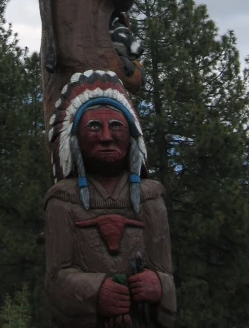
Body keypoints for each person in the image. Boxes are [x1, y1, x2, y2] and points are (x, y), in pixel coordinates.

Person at [45, 70, 176, 328]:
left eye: (116, 125)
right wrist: (97, 292)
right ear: (75, 139)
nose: (106, 136)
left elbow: (166, 273)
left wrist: (158, 285)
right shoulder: (62, 199)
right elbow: (55, 278)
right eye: (94, 126)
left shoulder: (151, 196)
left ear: (132, 136)